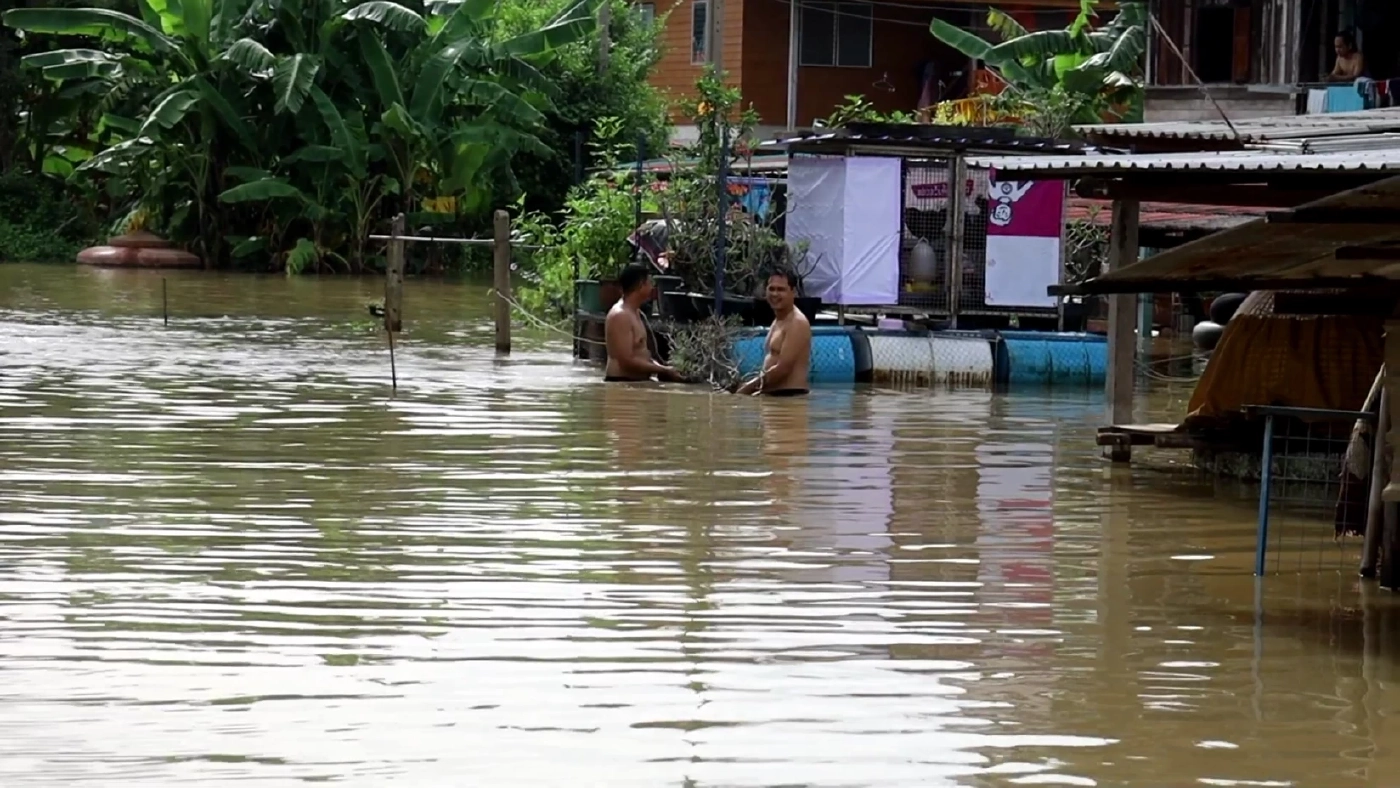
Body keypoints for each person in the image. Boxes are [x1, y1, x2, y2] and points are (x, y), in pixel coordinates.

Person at [736, 269, 811, 397]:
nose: (775, 294)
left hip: (789, 398)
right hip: (775, 397)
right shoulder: (778, 320)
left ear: (793, 292)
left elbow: (783, 369)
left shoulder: (797, 322)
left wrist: (743, 391)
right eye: (771, 289)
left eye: (781, 289)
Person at [604, 263, 678, 383]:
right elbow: (626, 361)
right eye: (649, 283)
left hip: (637, 383)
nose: (652, 288)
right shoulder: (620, 315)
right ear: (640, 285)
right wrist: (663, 370)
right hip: (621, 385)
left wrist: (664, 369)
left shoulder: (637, 312)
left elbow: (642, 354)